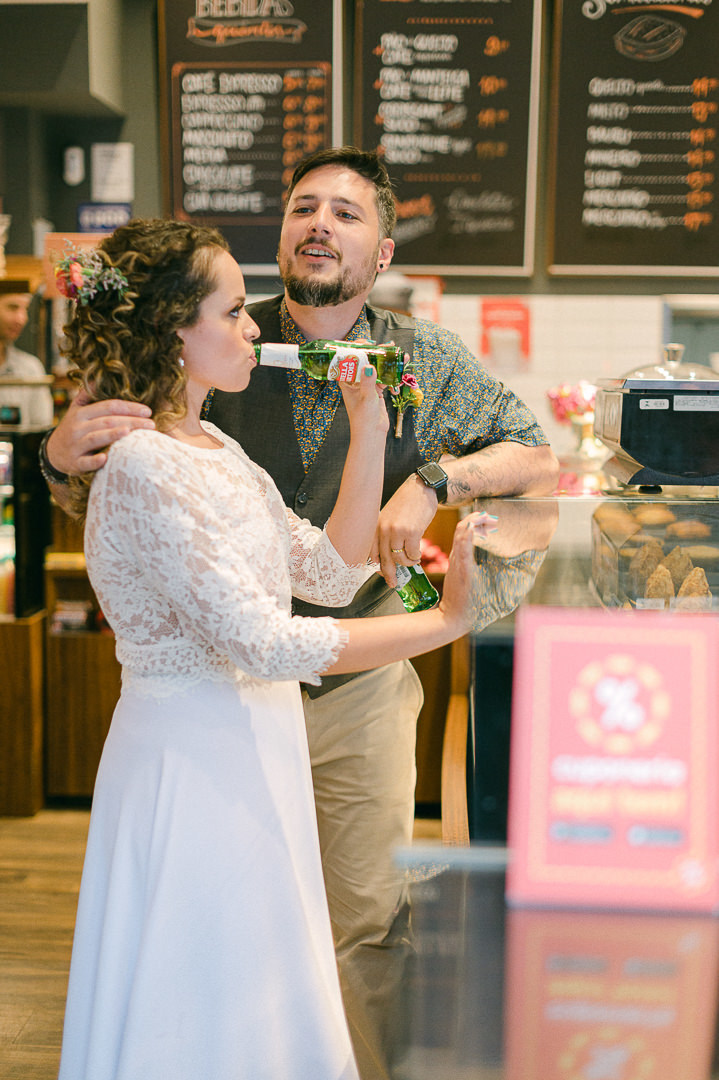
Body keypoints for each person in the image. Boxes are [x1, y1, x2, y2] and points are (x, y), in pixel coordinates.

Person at [43, 147, 559, 1080]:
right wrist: (53, 454)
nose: (319, 224)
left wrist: (424, 473)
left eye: (346, 213)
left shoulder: (409, 361)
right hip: (220, 709)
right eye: (303, 207)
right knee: (214, 947)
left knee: (353, 924)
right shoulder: (204, 372)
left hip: (346, 685)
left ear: (383, 251)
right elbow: (112, 497)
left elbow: (521, 464)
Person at [0, 284, 53, 427]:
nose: (21, 319)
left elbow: (41, 427)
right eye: (13, 308)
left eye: (26, 310)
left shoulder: (30, 368)